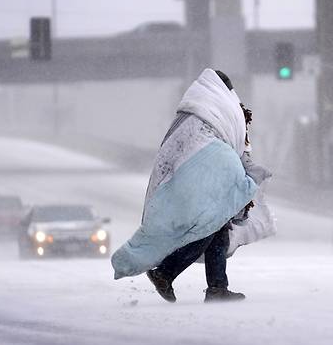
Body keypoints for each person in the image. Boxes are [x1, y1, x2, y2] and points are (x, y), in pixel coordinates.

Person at [111, 69, 272, 303]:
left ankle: (217, 287)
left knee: (217, 228)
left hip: (189, 179)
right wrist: (244, 173)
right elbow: (230, 145)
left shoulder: (191, 114)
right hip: (202, 180)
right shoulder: (219, 110)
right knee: (208, 227)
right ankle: (165, 273)